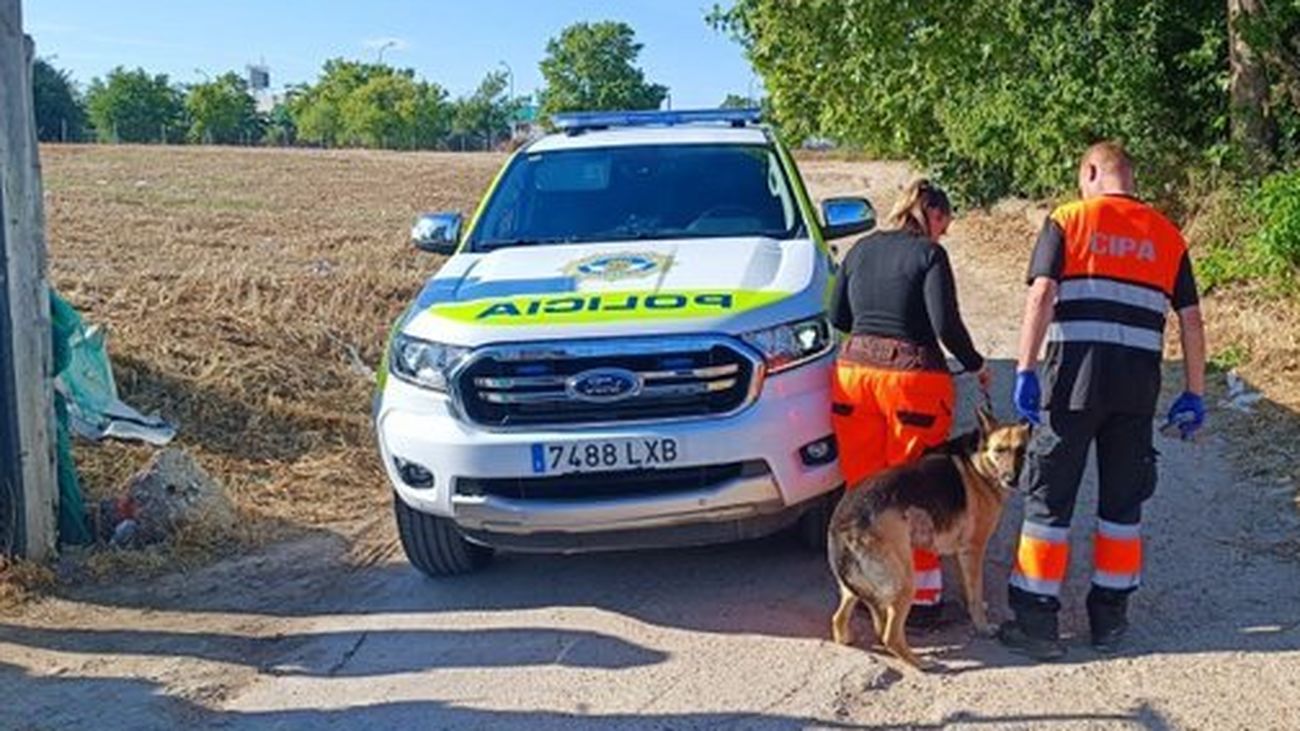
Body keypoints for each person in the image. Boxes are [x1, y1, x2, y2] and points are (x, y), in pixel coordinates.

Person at [1000, 141, 1207, 660]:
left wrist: (1024, 369)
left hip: (1071, 385)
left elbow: (1042, 294)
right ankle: (1109, 619)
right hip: (1136, 391)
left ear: (1091, 172)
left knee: (1050, 501)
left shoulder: (1068, 220)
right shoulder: (1167, 234)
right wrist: (1195, 392)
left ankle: (1037, 623)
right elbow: (1191, 320)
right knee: (1122, 504)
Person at [829, 178, 990, 628]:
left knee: (864, 491)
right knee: (916, 492)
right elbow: (946, 324)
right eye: (945, 224)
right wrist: (976, 364)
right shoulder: (928, 254)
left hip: (853, 378)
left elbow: (838, 317)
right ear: (933, 215)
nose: (943, 234)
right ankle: (921, 603)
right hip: (911, 383)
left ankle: (864, 594)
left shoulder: (860, 249)